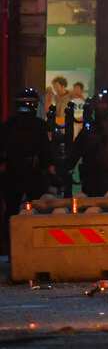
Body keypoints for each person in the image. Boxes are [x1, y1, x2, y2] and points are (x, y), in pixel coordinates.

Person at [1, 88, 55, 252]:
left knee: (11, 212)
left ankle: (9, 248)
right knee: (37, 211)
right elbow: (46, 151)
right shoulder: (40, 126)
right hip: (31, 174)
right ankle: (36, 247)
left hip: (13, 173)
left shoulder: (7, 125)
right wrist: (50, 170)